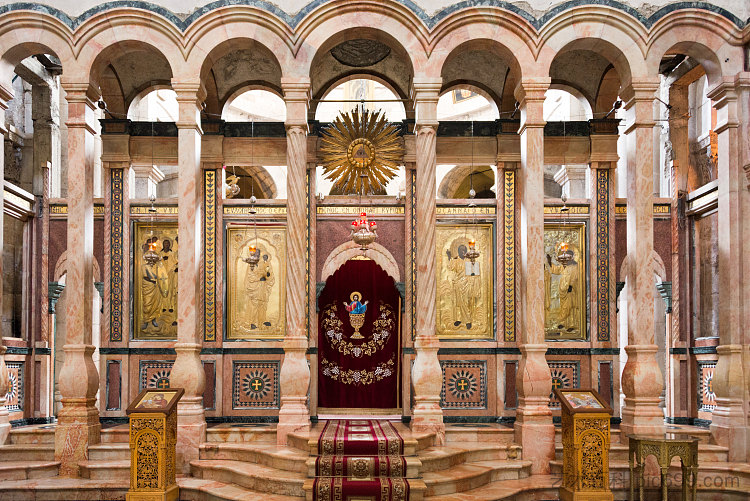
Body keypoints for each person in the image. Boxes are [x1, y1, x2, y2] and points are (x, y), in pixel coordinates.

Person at [547, 249, 579, 332]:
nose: (566, 259)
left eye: (568, 257)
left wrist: (571, 285)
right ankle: (564, 323)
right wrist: (550, 262)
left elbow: (575, 277)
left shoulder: (575, 266)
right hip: (563, 289)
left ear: (572, 257)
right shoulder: (564, 266)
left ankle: (572, 324)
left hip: (571, 290)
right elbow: (556, 270)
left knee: (570, 306)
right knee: (563, 306)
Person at [244, 251, 275, 329]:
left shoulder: (266, 263)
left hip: (263, 287)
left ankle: (262, 321)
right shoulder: (252, 264)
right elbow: (250, 276)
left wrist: (267, 275)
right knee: (255, 304)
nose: (258, 256)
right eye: (256, 254)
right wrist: (258, 278)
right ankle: (252, 322)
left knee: (263, 304)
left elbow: (270, 274)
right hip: (255, 287)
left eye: (259, 254)